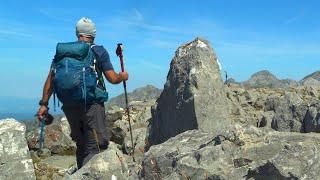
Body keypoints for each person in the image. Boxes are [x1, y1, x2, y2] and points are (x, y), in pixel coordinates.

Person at [37, 17, 128, 169]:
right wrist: (123, 76)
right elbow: (112, 78)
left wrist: (43, 105)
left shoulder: (63, 54)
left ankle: (80, 172)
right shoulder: (98, 50)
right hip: (92, 105)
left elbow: (50, 80)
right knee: (95, 146)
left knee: (81, 144)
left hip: (69, 105)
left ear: (77, 33)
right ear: (93, 34)